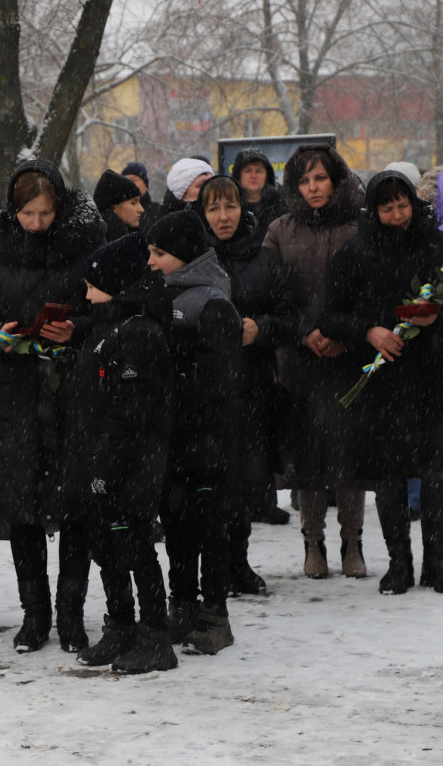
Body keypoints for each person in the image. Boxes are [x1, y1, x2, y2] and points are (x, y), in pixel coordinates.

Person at [0, 158, 104, 653]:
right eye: (28, 214)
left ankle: (70, 613)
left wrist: (77, 330)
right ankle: (34, 615)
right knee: (21, 505)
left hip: (71, 391)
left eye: (45, 213)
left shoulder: (88, 244)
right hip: (15, 394)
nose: (37, 224)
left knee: (74, 507)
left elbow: (108, 310)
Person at [320, 170, 443, 595]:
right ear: (374, 210)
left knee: (437, 471)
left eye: (403, 205)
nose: (398, 214)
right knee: (389, 475)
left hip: (434, 376)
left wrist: (439, 315)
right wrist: (370, 331)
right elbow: (329, 315)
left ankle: (436, 563)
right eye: (387, 208)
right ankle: (398, 564)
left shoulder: (440, 244)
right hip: (383, 380)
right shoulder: (355, 252)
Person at [68, 234, 177, 674]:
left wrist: (105, 469)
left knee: (134, 548)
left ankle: (154, 637)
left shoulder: (137, 333)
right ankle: (121, 626)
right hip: (103, 462)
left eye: (93, 285)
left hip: (131, 467)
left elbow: (127, 414)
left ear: (114, 285)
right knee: (106, 546)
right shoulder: (109, 327)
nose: (87, 294)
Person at [263, 143, 366, 580]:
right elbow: (273, 291)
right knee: (308, 456)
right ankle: (313, 542)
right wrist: (306, 332)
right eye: (304, 180)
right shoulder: (280, 230)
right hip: (299, 359)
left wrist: (343, 334)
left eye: (320, 178)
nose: (313, 187)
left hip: (349, 357)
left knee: (348, 453)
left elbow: (369, 289)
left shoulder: (360, 226)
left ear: (336, 179)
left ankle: (352, 541)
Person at [145, 209, 241, 654]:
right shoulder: (160, 297)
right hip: (172, 441)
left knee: (210, 531)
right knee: (178, 527)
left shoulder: (211, 303)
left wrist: (170, 378)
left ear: (182, 257)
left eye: (159, 253)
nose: (151, 260)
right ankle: (181, 604)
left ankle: (214, 613)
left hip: (208, 442)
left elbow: (220, 382)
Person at [197, 177, 298, 585]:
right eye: (213, 209)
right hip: (200, 389)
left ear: (243, 208)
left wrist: (264, 329)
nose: (223, 217)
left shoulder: (263, 258)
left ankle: (237, 563)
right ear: (201, 214)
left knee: (242, 481)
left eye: (231, 207)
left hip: (250, 387)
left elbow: (290, 319)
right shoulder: (190, 257)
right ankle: (208, 568)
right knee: (205, 484)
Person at [231, 149, 287, 235]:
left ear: (267, 176)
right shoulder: (230, 206)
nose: (253, 176)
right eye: (248, 171)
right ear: (239, 175)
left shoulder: (282, 205)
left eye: (259, 171)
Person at [93, 169, 144, 241]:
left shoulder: (134, 239)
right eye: (133, 203)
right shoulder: (98, 243)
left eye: (139, 202)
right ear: (113, 207)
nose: (141, 209)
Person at [121, 161, 160, 229]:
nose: (128, 184)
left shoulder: (159, 211)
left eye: (133, 180)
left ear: (145, 183)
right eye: (124, 181)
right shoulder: (120, 214)